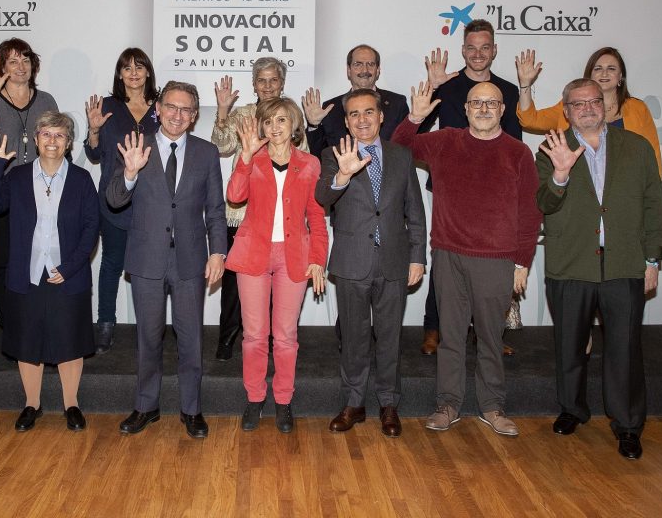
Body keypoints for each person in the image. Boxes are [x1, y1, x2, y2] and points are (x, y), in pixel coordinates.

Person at [393, 81, 541, 438]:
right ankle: (448, 405)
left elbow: (530, 213)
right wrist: (414, 118)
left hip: (497, 260)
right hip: (449, 256)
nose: (484, 109)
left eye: (491, 103)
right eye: (477, 103)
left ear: (502, 110)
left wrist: (522, 262)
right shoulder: (445, 141)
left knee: (491, 338)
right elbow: (398, 147)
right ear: (466, 109)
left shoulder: (519, 152)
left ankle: (493, 406)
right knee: (451, 337)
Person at [536, 78, 662, 460]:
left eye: (594, 101)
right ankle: (572, 409)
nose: (587, 108)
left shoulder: (637, 148)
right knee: (569, 345)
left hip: (624, 264)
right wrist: (560, 175)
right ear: (566, 111)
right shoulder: (551, 148)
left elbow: (655, 207)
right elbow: (543, 203)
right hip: (570, 264)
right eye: (578, 104)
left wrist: (652, 259)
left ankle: (627, 425)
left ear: (605, 105)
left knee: (625, 350)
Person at [108, 81, 229, 439]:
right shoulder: (136, 146)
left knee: (191, 339)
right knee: (148, 337)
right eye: (171, 107)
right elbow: (114, 199)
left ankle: (192, 409)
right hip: (146, 259)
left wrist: (218, 251)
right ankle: (146, 406)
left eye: (186, 109)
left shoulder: (206, 153)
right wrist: (130, 173)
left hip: (191, 261)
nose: (177, 115)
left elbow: (216, 209)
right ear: (158, 109)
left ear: (194, 116)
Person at [316, 89, 427, 438]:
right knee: (354, 337)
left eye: (368, 112)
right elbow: (322, 197)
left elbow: (415, 210)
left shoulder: (401, 155)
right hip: (352, 261)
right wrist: (342, 176)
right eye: (354, 114)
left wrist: (417, 257)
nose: (361, 119)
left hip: (394, 260)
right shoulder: (334, 154)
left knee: (390, 337)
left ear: (380, 116)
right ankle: (354, 403)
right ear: (346, 121)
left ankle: (389, 404)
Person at [0, 113, 100, 433]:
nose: (52, 141)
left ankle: (71, 404)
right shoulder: (17, 177)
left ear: (68, 143)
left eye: (59, 135)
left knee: (69, 341)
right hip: (27, 274)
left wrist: (70, 267)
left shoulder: (81, 180)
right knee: (27, 342)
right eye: (46, 134)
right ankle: (31, 404)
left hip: (68, 275)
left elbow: (91, 228)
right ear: (35, 140)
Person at [420, 19, 523, 357]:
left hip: (494, 193)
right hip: (450, 187)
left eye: (485, 47)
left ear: (494, 50)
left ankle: (487, 332)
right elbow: (419, 128)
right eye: (472, 48)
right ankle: (434, 327)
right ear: (463, 50)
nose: (478, 54)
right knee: (446, 258)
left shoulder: (508, 91)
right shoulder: (447, 86)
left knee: (491, 262)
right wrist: (432, 87)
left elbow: (515, 143)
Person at [225, 98, 328, 434]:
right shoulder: (252, 159)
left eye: (281, 120)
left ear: (294, 124)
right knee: (254, 335)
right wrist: (244, 157)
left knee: (285, 336)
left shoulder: (310, 163)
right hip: (254, 253)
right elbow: (235, 196)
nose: (274, 127)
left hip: (293, 256)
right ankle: (255, 397)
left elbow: (316, 216)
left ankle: (283, 400)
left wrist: (318, 259)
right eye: (268, 121)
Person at [209, 57, 310, 360]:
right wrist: (223, 111)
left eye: (273, 80)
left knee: (279, 286)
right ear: (254, 84)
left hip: (281, 218)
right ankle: (227, 339)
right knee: (233, 284)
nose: (267, 86)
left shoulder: (291, 114)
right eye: (261, 80)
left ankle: (273, 342)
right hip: (241, 214)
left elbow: (304, 161)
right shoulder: (242, 114)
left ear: (282, 83)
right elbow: (221, 147)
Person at [0, 38, 59, 326]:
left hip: (42, 193)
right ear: (2, 67)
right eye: (12, 61)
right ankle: (10, 325)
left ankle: (38, 320)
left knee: (41, 258)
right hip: (3, 193)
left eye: (25, 60)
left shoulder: (46, 101)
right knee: (7, 262)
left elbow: (57, 142)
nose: (21, 66)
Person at [83, 48, 161, 354]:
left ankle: (150, 327)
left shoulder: (161, 107)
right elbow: (94, 154)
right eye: (127, 68)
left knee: (149, 268)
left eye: (139, 67)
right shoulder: (108, 107)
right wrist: (93, 130)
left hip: (153, 203)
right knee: (112, 263)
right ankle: (105, 323)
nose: (133, 73)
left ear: (148, 71)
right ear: (119, 74)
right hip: (114, 200)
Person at [516, 46, 662, 177]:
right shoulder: (571, 106)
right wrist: (525, 83)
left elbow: (652, 158)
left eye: (611, 68)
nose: (604, 73)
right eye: (598, 68)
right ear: (590, 75)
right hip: (581, 190)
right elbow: (529, 120)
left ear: (620, 76)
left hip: (626, 190)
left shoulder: (638, 109)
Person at [304, 44, 411, 158]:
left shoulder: (397, 104)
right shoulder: (331, 109)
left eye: (370, 64)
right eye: (358, 64)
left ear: (378, 70)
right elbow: (320, 156)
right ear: (348, 70)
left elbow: (409, 145)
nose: (365, 70)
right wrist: (313, 126)